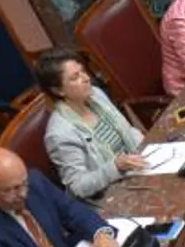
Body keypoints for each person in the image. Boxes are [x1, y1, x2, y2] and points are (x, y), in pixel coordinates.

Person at [35, 48, 147, 200]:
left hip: (138, 170)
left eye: (82, 71)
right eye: (75, 77)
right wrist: (115, 166)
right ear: (58, 90)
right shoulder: (59, 134)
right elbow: (78, 187)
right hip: (110, 196)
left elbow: (126, 130)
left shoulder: (96, 94)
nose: (86, 78)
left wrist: (149, 147)